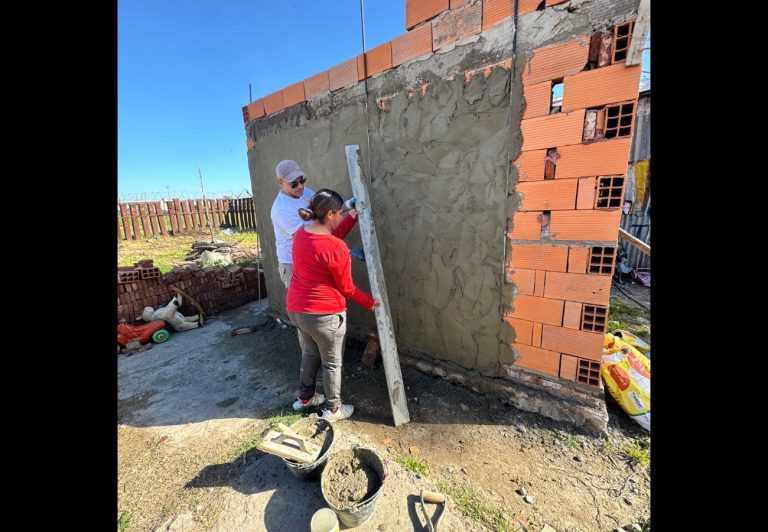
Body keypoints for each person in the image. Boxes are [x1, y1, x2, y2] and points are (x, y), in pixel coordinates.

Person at [287, 189, 377, 422]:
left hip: (298, 310)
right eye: (339, 213)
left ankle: (305, 399)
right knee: (332, 363)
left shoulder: (300, 233)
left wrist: (352, 217)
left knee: (309, 353)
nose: (340, 216)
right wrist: (372, 303)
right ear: (329, 215)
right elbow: (347, 288)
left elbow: (330, 238)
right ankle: (333, 409)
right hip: (324, 315)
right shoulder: (335, 248)